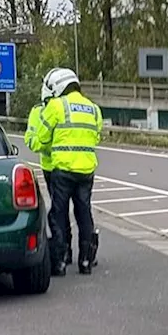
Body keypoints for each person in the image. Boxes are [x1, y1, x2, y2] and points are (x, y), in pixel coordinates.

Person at [33, 67, 101, 276]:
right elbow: (96, 137)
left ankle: (60, 261)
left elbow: (42, 138)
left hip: (62, 170)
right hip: (86, 171)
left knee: (59, 214)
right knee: (84, 213)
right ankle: (86, 261)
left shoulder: (56, 106)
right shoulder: (93, 108)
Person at [24, 95, 71, 265]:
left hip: (63, 166)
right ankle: (64, 251)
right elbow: (32, 138)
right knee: (61, 210)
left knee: (61, 210)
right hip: (51, 167)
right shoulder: (38, 111)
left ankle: (64, 252)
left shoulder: (61, 108)